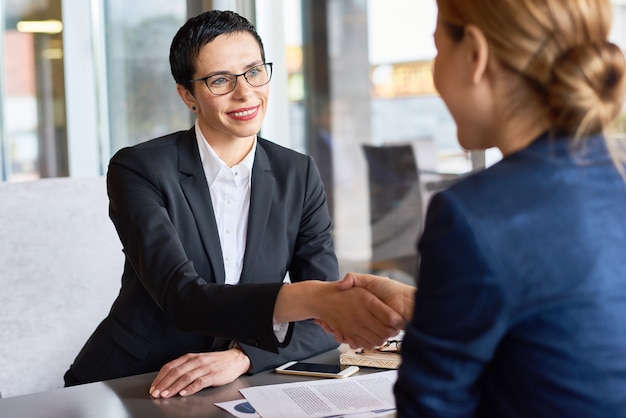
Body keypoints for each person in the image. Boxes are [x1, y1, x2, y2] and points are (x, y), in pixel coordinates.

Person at [63, 10, 406, 400]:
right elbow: (181, 297)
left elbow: (320, 320)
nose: (245, 93)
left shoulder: (298, 172)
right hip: (135, 380)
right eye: (220, 80)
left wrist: (244, 356)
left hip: (238, 384)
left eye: (254, 72)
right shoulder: (138, 168)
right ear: (188, 95)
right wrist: (316, 298)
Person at [385, 0, 626, 416]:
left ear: (475, 54)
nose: (436, 73)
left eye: (438, 50)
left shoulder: (472, 216)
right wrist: (429, 308)